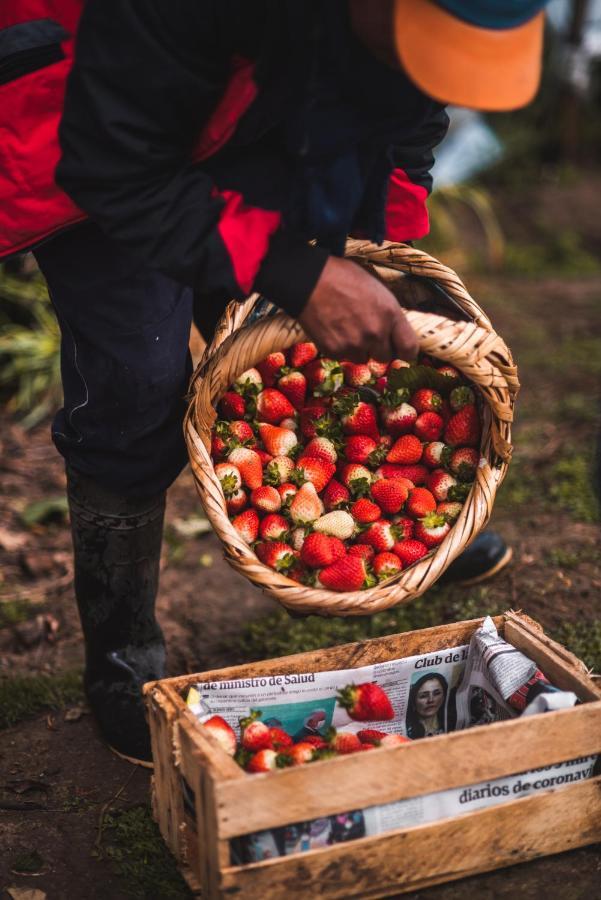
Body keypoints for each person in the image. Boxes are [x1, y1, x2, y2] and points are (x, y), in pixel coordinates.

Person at [0, 0, 549, 764]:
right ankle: (121, 652)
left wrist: (376, 249)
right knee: (137, 381)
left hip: (249, 101)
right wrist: (296, 271)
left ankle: (363, 513)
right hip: (96, 114)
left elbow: (410, 114)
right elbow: (112, 165)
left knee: (298, 345)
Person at [406, 672, 449, 739]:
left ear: (444, 696)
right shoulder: (407, 731)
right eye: (423, 696)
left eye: (436, 693)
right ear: (414, 701)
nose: (431, 700)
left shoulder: (450, 723)